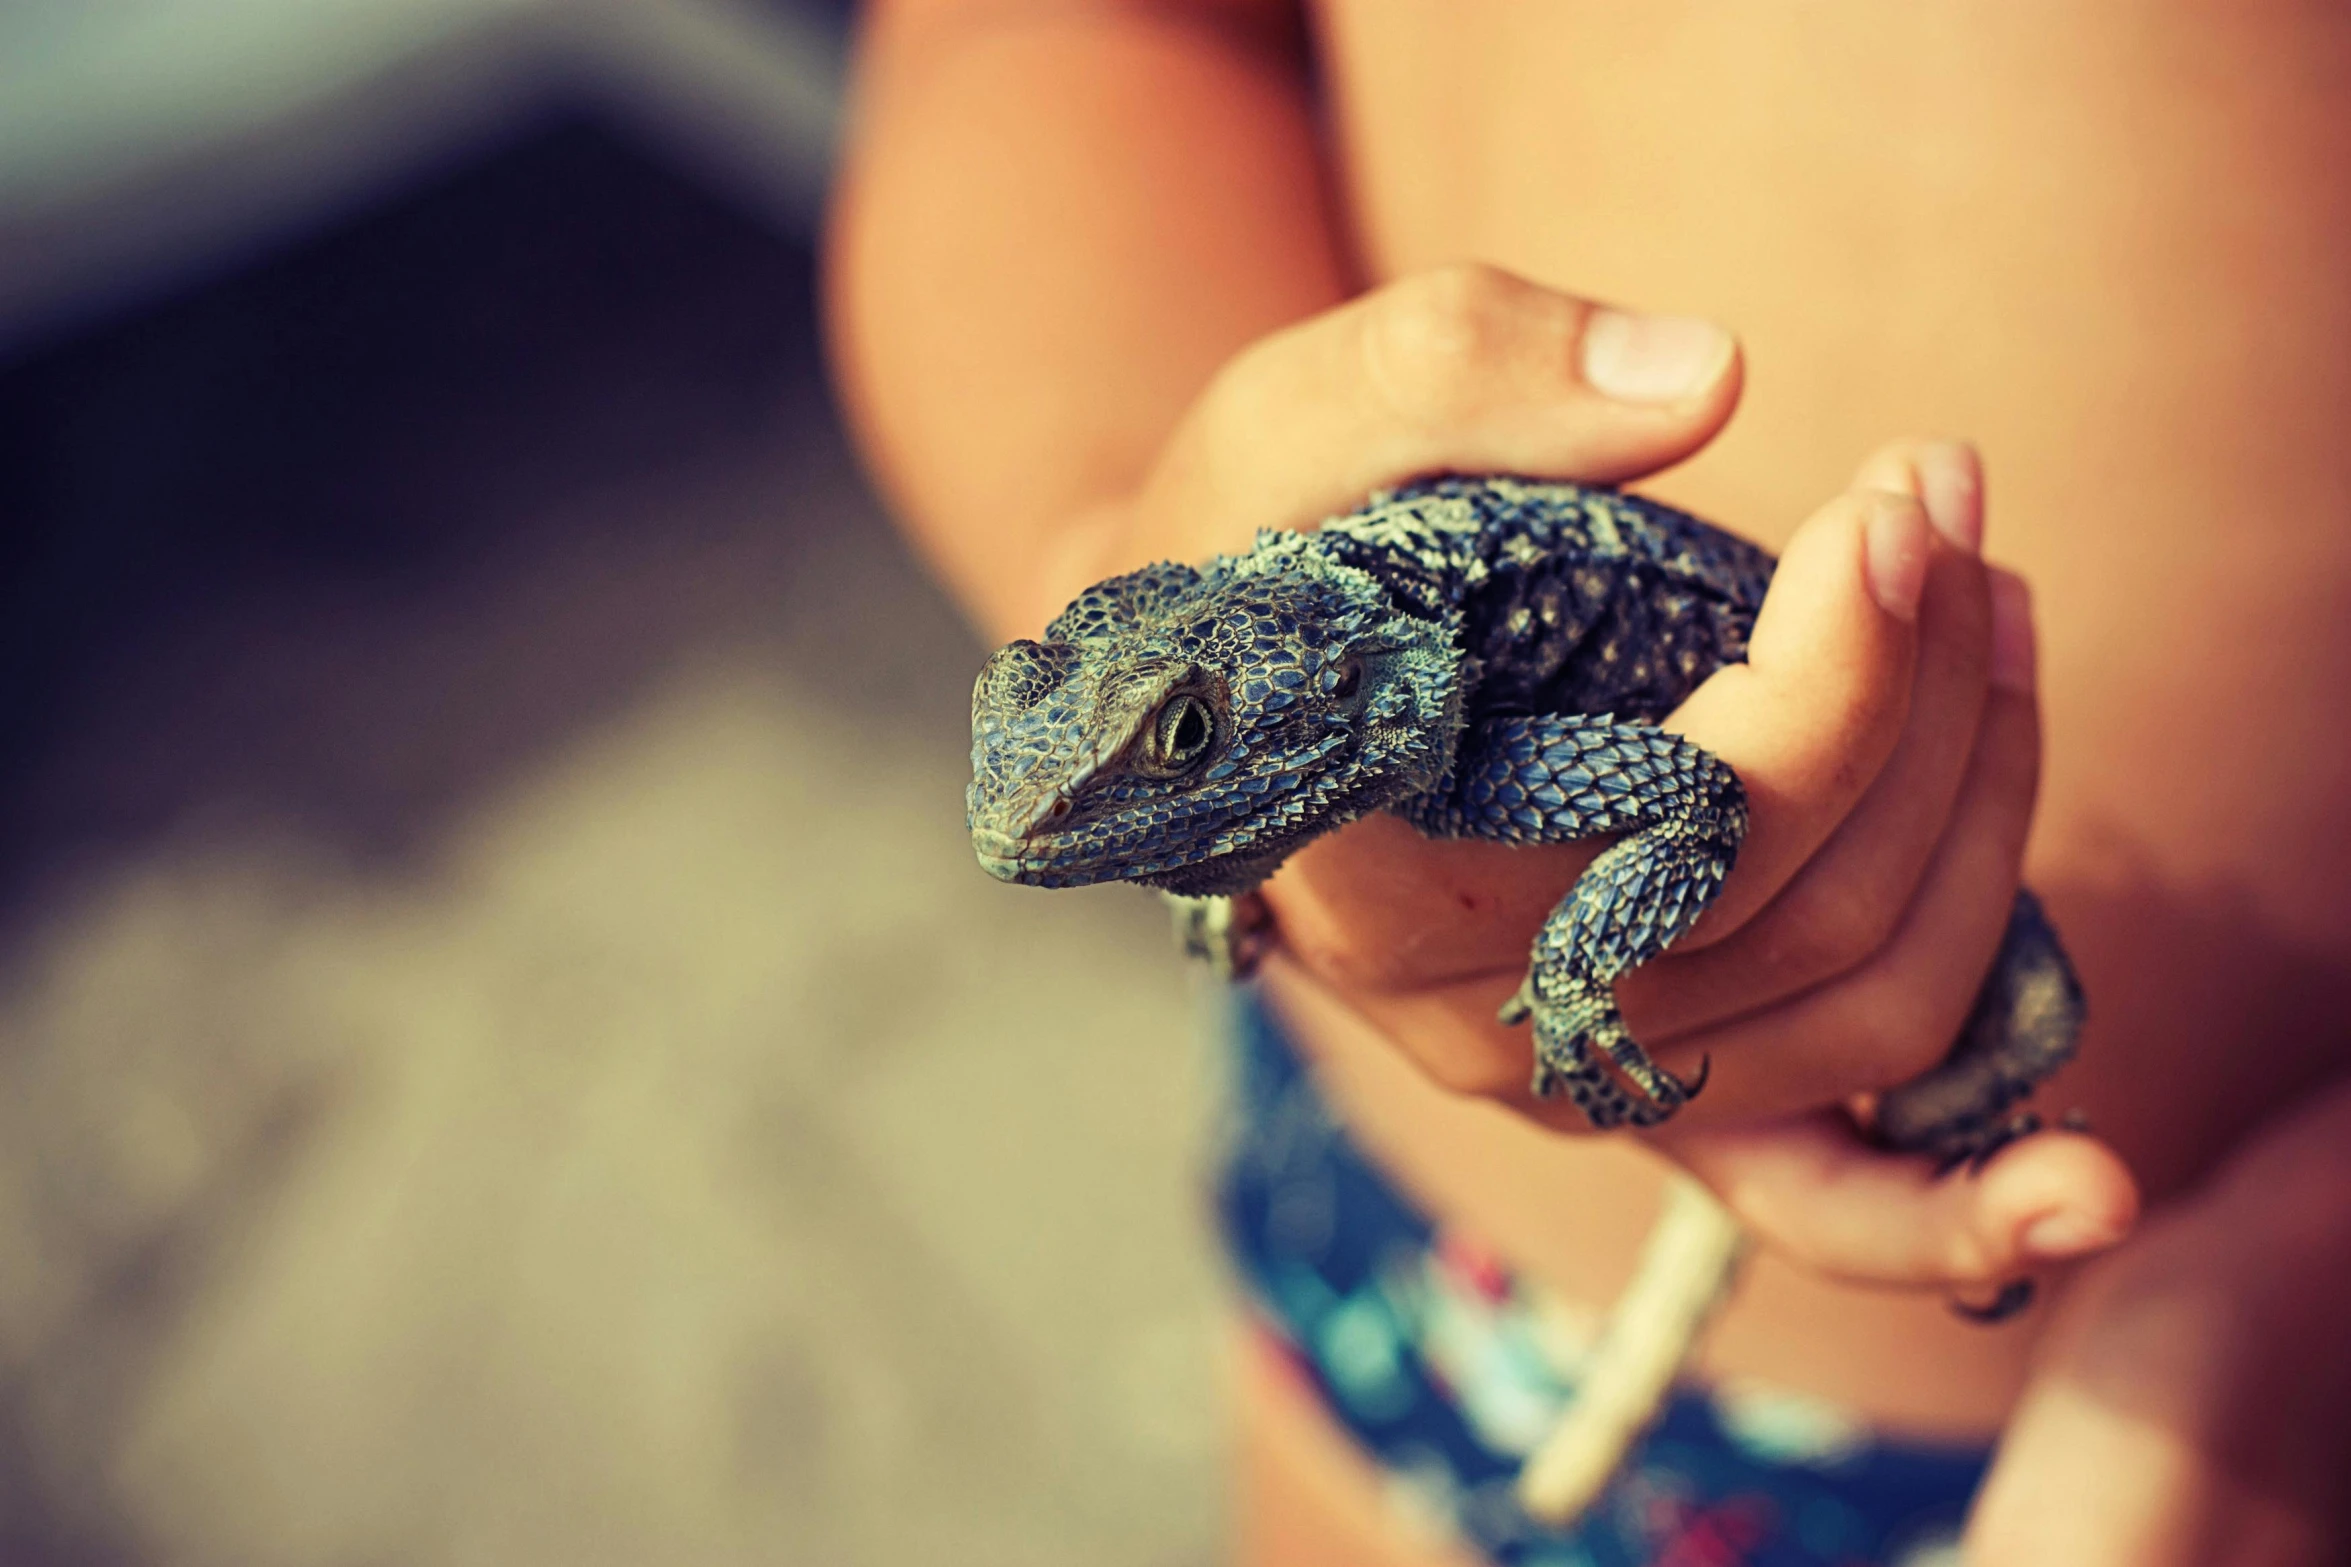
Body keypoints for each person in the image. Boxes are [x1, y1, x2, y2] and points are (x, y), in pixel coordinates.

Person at [825, 4, 2351, 1560]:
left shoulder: (1425, 702)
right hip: (1412, 1237)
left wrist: (2298, 1282)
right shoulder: (1365, 705)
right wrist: (1098, 535)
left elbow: (1687, 800)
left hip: (2164, 1421)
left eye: (1184, 745)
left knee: (2027, 1022)